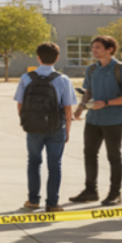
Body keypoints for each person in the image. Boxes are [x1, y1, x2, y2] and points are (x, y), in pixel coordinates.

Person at [70, 35, 122, 206]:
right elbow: (89, 91)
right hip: (93, 119)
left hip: (114, 120)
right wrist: (81, 106)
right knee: (89, 155)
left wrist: (107, 103)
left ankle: (115, 193)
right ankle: (90, 191)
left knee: (114, 157)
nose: (94, 50)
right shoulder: (92, 69)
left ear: (110, 50)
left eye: (98, 47)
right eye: (93, 47)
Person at [14, 42, 77, 212]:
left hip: (33, 128)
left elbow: (20, 105)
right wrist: (68, 130)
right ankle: (52, 203)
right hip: (56, 127)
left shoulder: (26, 78)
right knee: (55, 164)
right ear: (57, 58)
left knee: (34, 162)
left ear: (38, 57)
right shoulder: (63, 79)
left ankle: (33, 200)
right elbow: (68, 108)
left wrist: (27, 122)